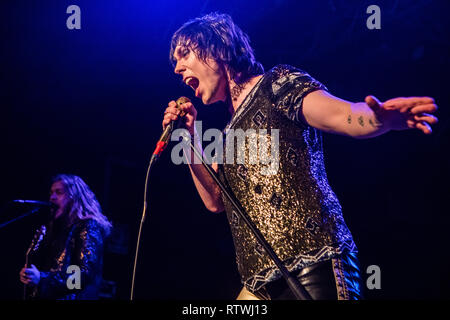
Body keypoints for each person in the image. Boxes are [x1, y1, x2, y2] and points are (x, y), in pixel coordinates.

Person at [162, 13, 438, 300]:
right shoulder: (230, 132)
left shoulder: (277, 84)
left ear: (217, 48)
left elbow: (341, 114)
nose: (178, 68)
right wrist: (190, 136)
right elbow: (215, 200)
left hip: (313, 265)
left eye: (185, 54)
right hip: (259, 284)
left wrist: (378, 120)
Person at [19, 174, 112, 300]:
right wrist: (31, 275)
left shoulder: (87, 226)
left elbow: (81, 275)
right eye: (51, 193)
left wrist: (41, 278)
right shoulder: (60, 229)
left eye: (59, 192)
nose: (52, 197)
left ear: (75, 197)